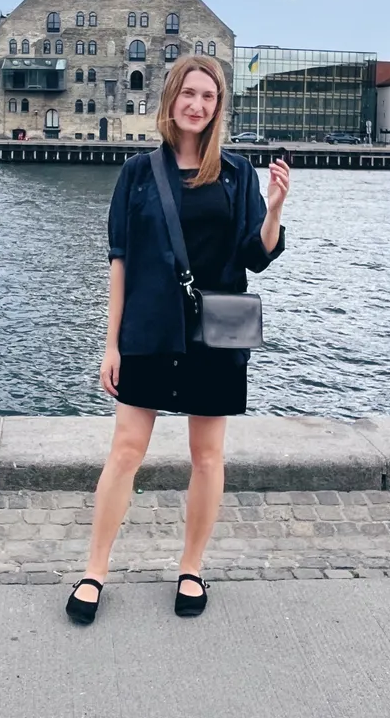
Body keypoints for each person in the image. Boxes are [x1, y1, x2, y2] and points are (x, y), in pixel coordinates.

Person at [66, 54, 290, 625]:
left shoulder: (236, 173)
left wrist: (275, 210)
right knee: (125, 452)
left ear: (219, 106)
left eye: (208, 96)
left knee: (207, 456)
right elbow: (119, 261)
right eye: (189, 93)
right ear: (171, 99)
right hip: (148, 328)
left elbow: (256, 255)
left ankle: (191, 568)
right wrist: (110, 344)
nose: (197, 104)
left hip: (215, 334)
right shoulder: (138, 173)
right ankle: (94, 570)